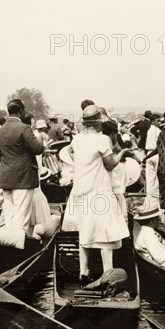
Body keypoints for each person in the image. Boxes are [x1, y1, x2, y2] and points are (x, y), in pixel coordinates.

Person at [63, 105, 132, 285]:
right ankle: (108, 276)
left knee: (85, 232)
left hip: (80, 191)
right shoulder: (102, 140)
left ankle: (83, 272)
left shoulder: (77, 139)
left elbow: (69, 151)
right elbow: (110, 165)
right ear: (98, 123)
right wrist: (121, 153)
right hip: (99, 191)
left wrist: (81, 163)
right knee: (105, 235)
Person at [0, 99, 44, 236]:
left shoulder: (0, 131)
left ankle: (8, 246)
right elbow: (37, 149)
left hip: (6, 178)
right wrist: (40, 139)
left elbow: (0, 155)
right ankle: (18, 248)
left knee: (10, 216)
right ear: (21, 111)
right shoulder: (24, 128)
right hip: (23, 178)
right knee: (22, 217)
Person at [133, 206, 165, 272]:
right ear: (152, 220)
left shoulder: (148, 232)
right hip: (162, 266)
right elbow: (160, 257)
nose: (159, 219)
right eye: (157, 217)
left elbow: (162, 250)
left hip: (163, 262)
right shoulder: (148, 235)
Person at [143, 112, 162, 209]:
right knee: (157, 181)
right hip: (155, 154)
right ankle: (157, 204)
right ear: (153, 121)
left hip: (149, 154)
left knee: (150, 180)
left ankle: (149, 203)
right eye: (158, 121)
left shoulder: (149, 130)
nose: (159, 123)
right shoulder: (158, 131)